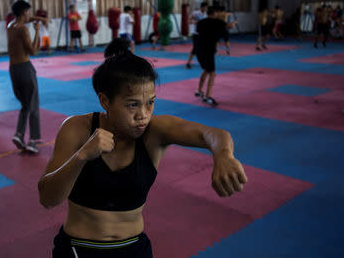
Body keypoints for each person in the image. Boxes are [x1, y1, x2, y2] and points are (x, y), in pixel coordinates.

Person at [38, 38, 247, 257]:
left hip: (134, 249)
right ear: (105, 101)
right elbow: (48, 199)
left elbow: (212, 134)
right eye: (132, 105)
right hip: (80, 249)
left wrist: (224, 156)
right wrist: (81, 157)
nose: (143, 115)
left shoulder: (154, 132)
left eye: (150, 103)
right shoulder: (77, 129)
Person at [7, 0, 42, 153]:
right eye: (27, 12)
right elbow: (33, 51)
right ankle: (33, 141)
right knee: (33, 104)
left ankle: (19, 134)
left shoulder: (10, 26)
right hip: (25, 68)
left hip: (13, 69)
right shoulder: (23, 29)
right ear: (23, 13)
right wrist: (37, 31)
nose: (29, 14)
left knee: (25, 105)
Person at [194, 6, 229, 106]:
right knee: (212, 73)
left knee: (206, 70)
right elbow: (227, 27)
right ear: (215, 14)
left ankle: (199, 91)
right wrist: (227, 43)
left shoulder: (201, 22)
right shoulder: (218, 22)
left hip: (199, 49)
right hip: (208, 50)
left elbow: (198, 31)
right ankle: (207, 97)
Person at [186, 2, 207, 69]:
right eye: (205, 7)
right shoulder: (196, 13)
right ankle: (188, 63)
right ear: (202, 7)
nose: (206, 9)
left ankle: (203, 61)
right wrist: (195, 22)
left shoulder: (206, 14)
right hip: (195, 33)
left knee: (202, 48)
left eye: (206, 7)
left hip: (203, 34)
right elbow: (189, 21)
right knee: (195, 48)